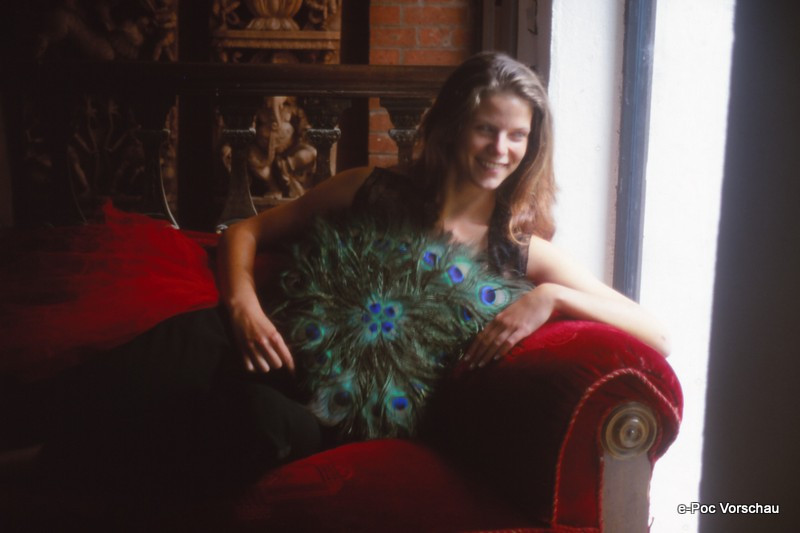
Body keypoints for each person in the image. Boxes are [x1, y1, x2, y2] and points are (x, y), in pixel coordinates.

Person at [217, 51, 670, 385]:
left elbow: (659, 336)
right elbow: (245, 230)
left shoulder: (516, 248)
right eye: (486, 129)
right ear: (453, 127)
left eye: (517, 135)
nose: (500, 149)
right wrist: (244, 307)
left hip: (345, 418)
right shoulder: (368, 189)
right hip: (269, 360)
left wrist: (552, 296)